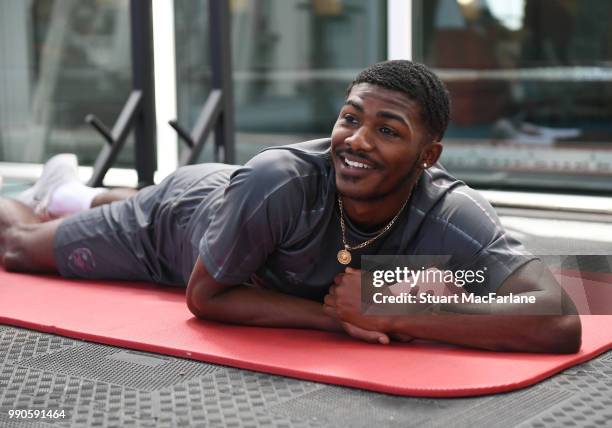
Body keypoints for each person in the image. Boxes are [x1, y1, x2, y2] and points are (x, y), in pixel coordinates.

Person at [0, 60, 580, 353]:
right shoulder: (279, 178)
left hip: (238, 207)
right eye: (350, 117)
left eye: (387, 130)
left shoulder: (452, 209)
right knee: (21, 249)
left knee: (185, 199)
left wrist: (404, 311)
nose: (356, 140)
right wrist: (340, 315)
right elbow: (206, 297)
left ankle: (71, 193)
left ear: (429, 156)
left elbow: (560, 317)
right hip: (176, 226)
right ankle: (36, 199)